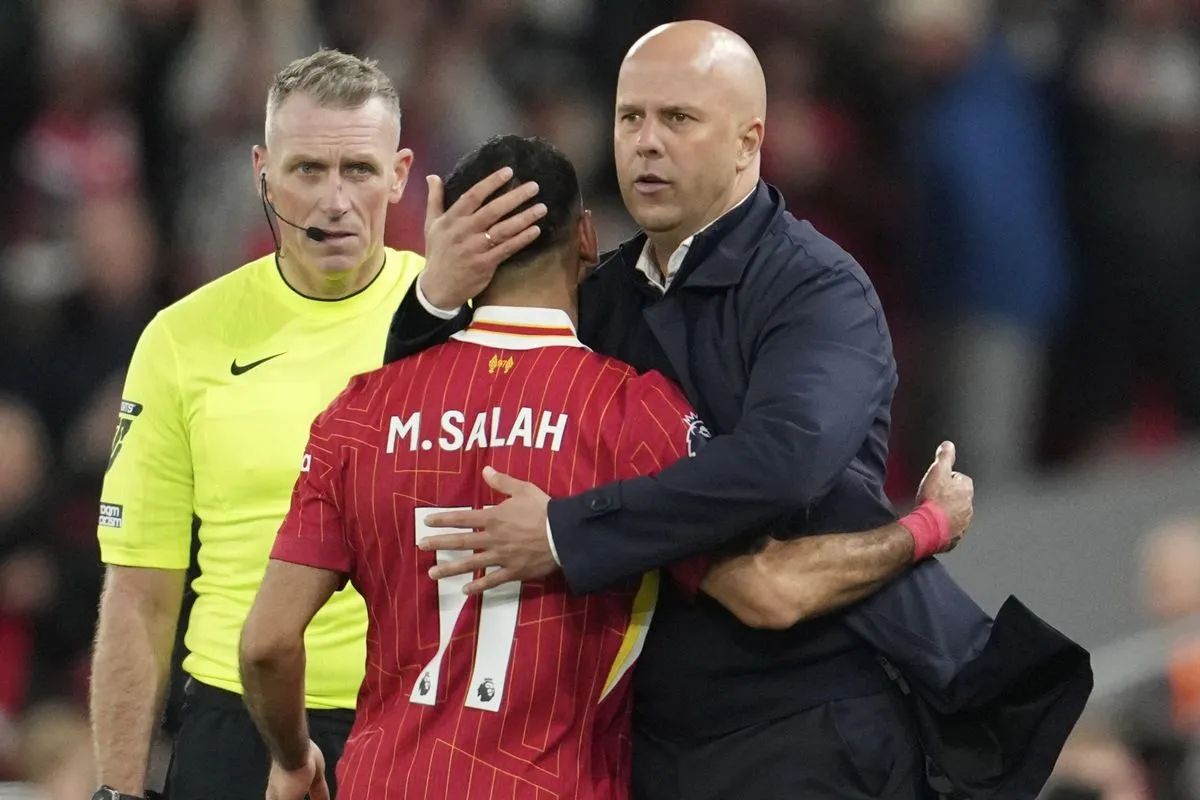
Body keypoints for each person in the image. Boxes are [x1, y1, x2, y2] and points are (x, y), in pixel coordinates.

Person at [387, 20, 1092, 800]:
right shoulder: (602, 301)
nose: (646, 143)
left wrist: (566, 531)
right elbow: (431, 427)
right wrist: (435, 297)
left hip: (808, 726)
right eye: (630, 118)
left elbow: (781, 463)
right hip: (644, 738)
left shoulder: (818, 290)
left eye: (678, 118)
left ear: (748, 140)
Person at [239, 134, 973, 800]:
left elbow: (267, 644)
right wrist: (928, 524)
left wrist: (294, 759)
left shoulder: (360, 411)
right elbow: (770, 593)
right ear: (587, 238)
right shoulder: (632, 414)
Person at [86, 49, 514, 800]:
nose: (335, 200)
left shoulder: (470, 322)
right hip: (235, 733)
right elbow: (140, 591)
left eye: (359, 170)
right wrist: (117, 791)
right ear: (263, 172)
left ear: (401, 174)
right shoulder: (182, 339)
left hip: (423, 725)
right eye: (308, 170)